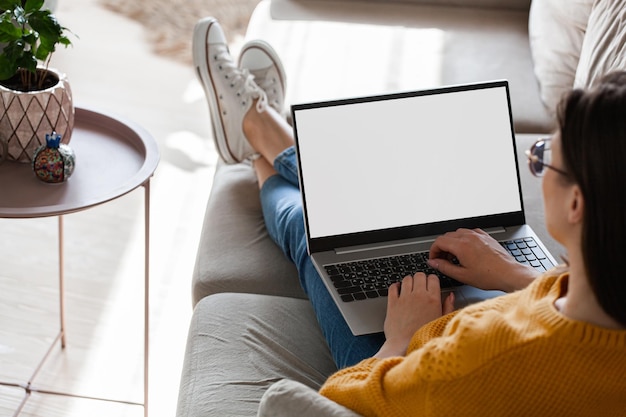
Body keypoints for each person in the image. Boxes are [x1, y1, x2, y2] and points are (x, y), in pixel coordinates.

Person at [193, 17, 626, 416]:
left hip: (413, 371)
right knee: (341, 218)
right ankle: (258, 131)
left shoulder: (480, 356)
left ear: (576, 204)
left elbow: (335, 401)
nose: (537, 163)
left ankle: (254, 132)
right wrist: (514, 274)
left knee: (315, 229)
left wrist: (400, 339)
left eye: (543, 158)